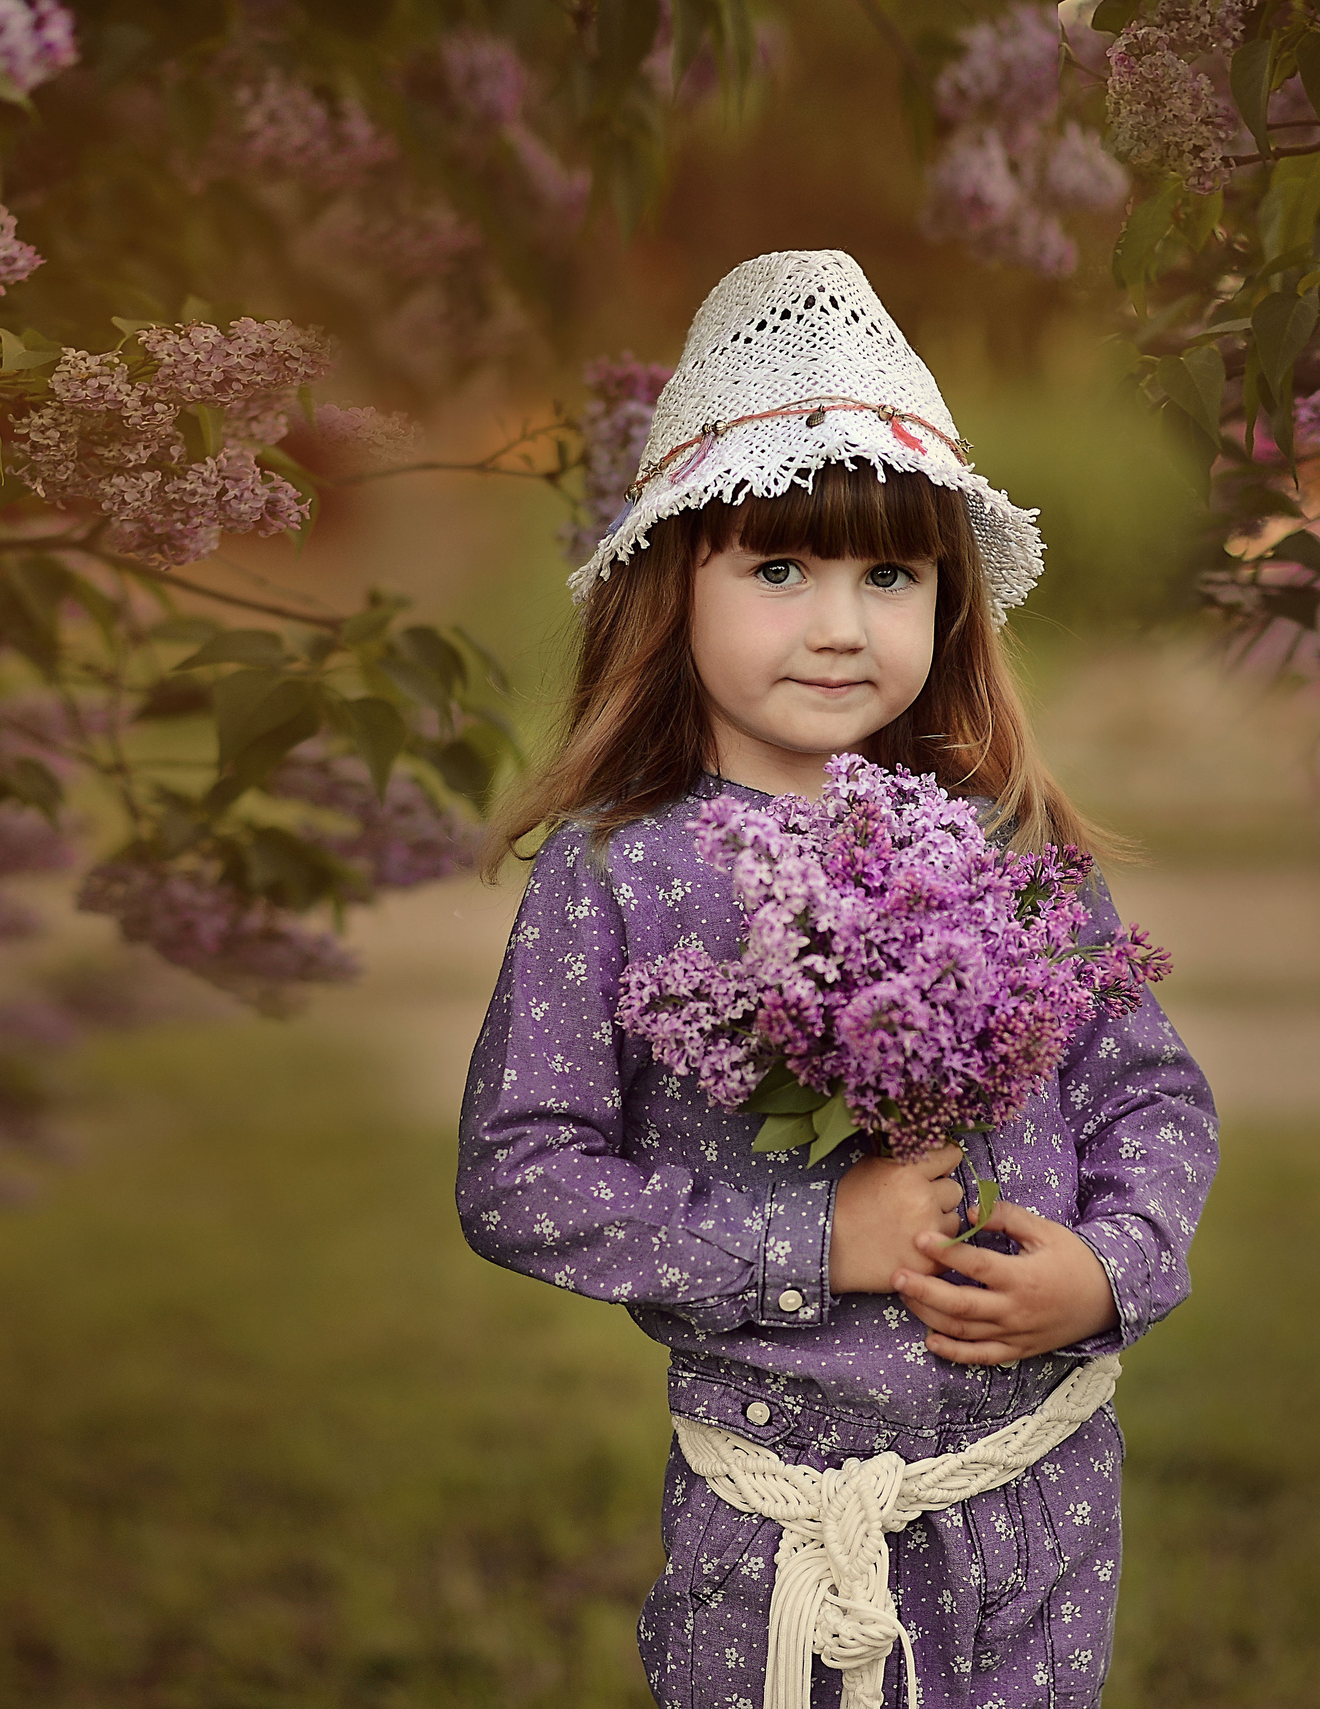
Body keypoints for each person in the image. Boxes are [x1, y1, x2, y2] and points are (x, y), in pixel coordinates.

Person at [455, 250, 1218, 1709]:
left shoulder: (1002, 845)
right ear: (674, 583)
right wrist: (814, 1236)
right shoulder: (616, 875)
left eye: (890, 572)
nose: (837, 622)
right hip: (783, 1521)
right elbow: (518, 1174)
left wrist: (1109, 1269)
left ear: (948, 601)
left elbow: (1154, 1098)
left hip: (1034, 1500)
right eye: (780, 564)